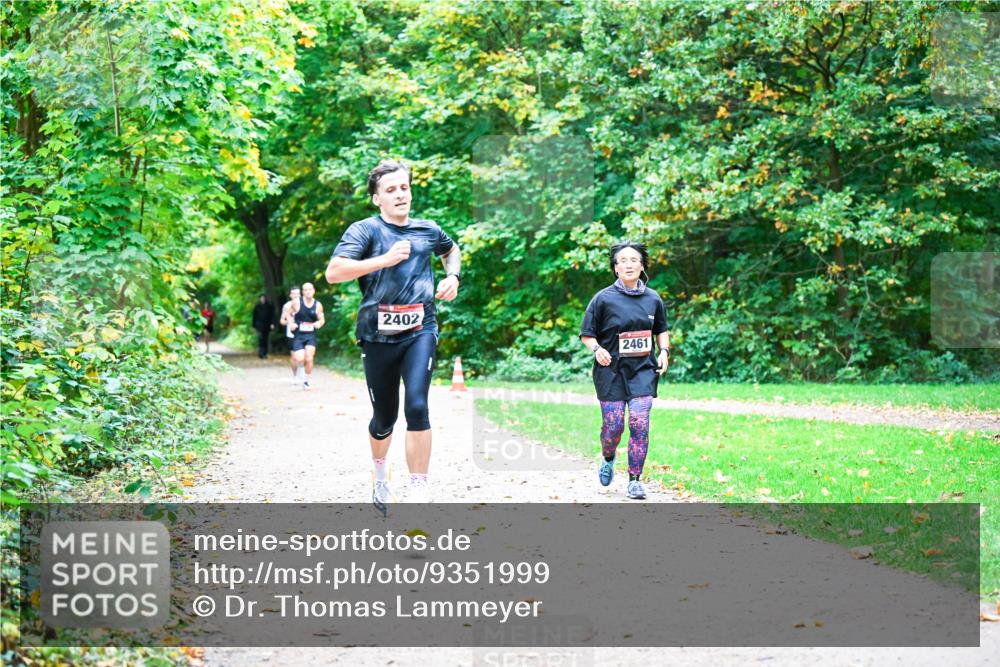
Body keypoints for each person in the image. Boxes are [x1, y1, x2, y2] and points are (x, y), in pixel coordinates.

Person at [325, 159, 461, 514]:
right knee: (384, 418)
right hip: (377, 336)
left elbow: (451, 251)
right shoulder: (364, 231)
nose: (400, 194)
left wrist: (453, 277)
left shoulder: (427, 229)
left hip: (421, 329)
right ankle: (381, 475)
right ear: (376, 198)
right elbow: (334, 272)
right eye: (391, 190)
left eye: (404, 187)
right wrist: (382, 260)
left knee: (417, 405)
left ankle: (418, 489)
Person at [579, 241, 669, 500]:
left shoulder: (653, 298)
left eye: (634, 260)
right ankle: (608, 457)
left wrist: (663, 352)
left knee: (640, 423)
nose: (629, 265)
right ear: (615, 268)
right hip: (611, 371)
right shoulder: (603, 299)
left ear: (642, 266)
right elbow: (587, 334)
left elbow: (661, 330)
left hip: (642, 370)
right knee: (614, 426)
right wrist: (597, 349)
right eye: (623, 261)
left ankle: (634, 480)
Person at [288, 283, 325, 390]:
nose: (308, 292)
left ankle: (306, 380)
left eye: (310, 289)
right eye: (305, 290)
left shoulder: (318, 305)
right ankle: (301, 374)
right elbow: (288, 313)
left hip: (310, 335)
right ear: (303, 292)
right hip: (298, 335)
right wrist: (291, 323)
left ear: (313, 291)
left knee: (309, 358)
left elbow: (322, 318)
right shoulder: (297, 302)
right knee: (300, 358)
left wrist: (319, 323)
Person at [279, 286, 301, 383]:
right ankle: (295, 376)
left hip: (304, 333)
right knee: (294, 357)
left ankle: (304, 374)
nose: (296, 295)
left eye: (297, 293)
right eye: (294, 293)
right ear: (290, 295)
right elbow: (282, 321)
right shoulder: (287, 306)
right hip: (292, 334)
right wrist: (290, 322)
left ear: (300, 294)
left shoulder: (305, 304)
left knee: (304, 355)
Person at [252, 294, 275, 359]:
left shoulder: (269, 306)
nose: (262, 300)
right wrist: (253, 326)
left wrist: (272, 324)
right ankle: (260, 352)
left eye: (264, 298)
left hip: (267, 326)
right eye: (261, 298)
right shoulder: (257, 307)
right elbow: (254, 317)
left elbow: (273, 316)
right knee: (260, 339)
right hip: (259, 326)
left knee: (265, 339)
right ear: (260, 299)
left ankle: (265, 353)